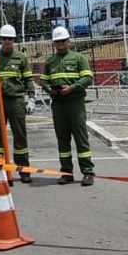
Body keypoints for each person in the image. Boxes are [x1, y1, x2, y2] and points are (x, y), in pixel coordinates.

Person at [41, 26, 95, 186]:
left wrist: (72, 88)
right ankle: (66, 172)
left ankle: (88, 172)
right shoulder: (50, 61)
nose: (60, 44)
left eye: (63, 41)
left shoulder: (79, 58)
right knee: (62, 140)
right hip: (58, 105)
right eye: (57, 42)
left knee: (81, 138)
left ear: (69, 41)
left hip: (75, 103)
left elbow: (87, 79)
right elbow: (43, 80)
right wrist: (48, 89)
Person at [0, 24, 36, 184]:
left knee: (20, 136)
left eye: (10, 39)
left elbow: (28, 79)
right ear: (0, 39)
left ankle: (24, 170)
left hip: (16, 100)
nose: (7, 41)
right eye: (4, 39)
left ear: (14, 40)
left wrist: (31, 98)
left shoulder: (21, 57)